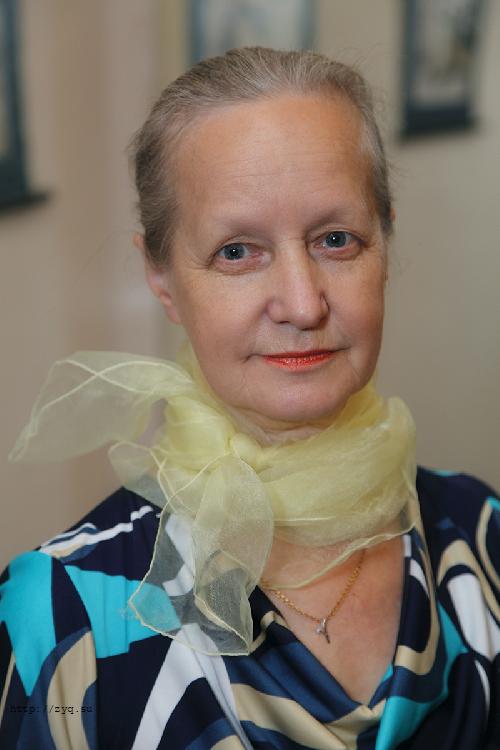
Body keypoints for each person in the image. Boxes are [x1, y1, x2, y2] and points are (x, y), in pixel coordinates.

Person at [0, 47, 498, 750]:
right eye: (237, 251)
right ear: (162, 277)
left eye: (336, 240)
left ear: (384, 242)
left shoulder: (480, 534)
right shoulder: (59, 613)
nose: (302, 303)